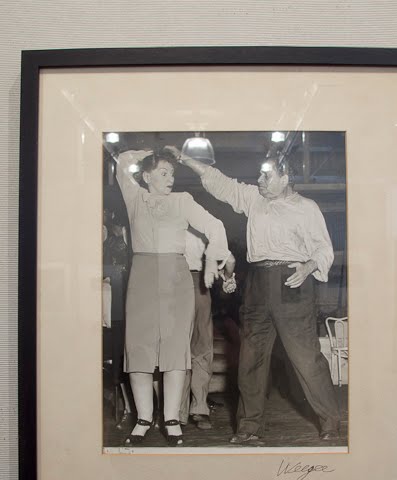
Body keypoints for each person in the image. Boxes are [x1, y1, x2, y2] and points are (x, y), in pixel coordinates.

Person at [165, 145, 340, 444]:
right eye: (259, 174)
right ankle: (249, 427)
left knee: (306, 358)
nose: (259, 180)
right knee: (250, 359)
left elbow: (324, 249)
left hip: (292, 281)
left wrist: (309, 266)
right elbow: (220, 183)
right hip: (258, 283)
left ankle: (330, 422)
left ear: (285, 178)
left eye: (266, 175)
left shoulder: (306, 208)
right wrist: (185, 159)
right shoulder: (254, 199)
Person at [115, 149, 230, 446]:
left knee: (175, 350)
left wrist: (211, 259)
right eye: (163, 173)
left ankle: (171, 420)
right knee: (138, 350)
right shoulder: (134, 197)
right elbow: (122, 163)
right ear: (146, 176)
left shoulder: (183, 201)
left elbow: (216, 226)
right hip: (141, 276)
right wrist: (145, 152)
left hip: (176, 277)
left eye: (172, 174)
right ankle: (143, 419)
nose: (170, 179)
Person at [179, 228, 236, 430]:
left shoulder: (204, 227)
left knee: (189, 348)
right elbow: (230, 261)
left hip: (189, 284)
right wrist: (227, 277)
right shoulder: (205, 227)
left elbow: (229, 259)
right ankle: (191, 410)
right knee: (196, 348)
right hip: (187, 284)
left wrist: (225, 276)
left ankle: (187, 410)